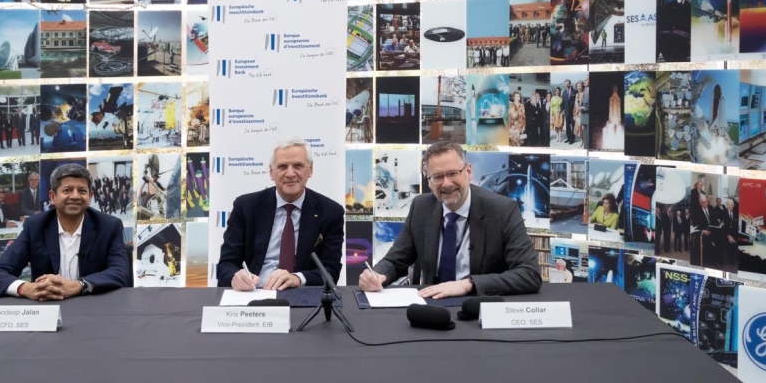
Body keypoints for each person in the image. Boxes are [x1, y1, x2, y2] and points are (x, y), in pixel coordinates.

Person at [359, 141, 541, 298]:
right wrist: (377, 275)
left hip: (478, 305)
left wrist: (468, 284)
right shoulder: (420, 207)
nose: (446, 183)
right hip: (433, 305)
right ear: (429, 182)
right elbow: (395, 261)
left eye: (453, 173)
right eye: (438, 177)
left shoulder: (502, 210)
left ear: (468, 172)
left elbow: (529, 274)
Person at [0, 164, 130, 300]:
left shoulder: (109, 226)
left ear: (90, 197)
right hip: (47, 308)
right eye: (67, 190)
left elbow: (120, 272)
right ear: (53, 197)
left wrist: (79, 285)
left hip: (94, 306)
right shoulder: (35, 226)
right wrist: (26, 288)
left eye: (82, 191)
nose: (75, 196)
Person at [217, 137, 345, 291]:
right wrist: (236, 277)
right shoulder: (246, 207)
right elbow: (226, 265)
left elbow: (330, 271)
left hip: (301, 293)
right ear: (271, 172)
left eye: (298, 166)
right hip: (253, 293)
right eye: (282, 166)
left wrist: (297, 278)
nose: (290, 173)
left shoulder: (330, 212)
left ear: (310, 170)